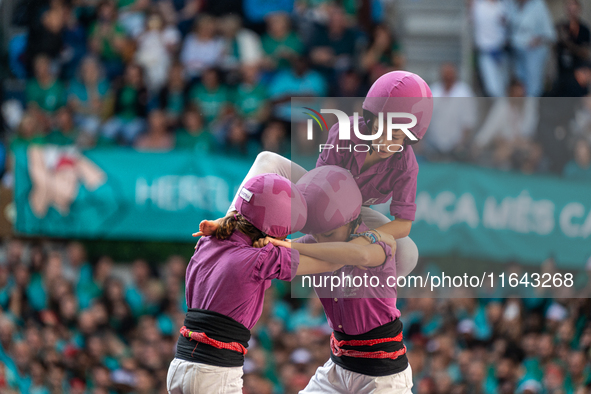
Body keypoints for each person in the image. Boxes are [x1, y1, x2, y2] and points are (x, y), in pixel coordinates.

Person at [168, 173, 395, 393]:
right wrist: (376, 235)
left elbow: (251, 197)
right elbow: (333, 262)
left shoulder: (211, 238)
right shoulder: (261, 258)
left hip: (180, 364)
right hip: (214, 372)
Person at [198, 70, 431, 278]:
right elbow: (321, 188)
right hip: (319, 191)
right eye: (378, 129)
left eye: (395, 136)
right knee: (267, 159)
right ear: (370, 120)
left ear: (409, 138)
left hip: (356, 215)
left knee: (409, 254)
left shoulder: (407, 164)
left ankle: (307, 261)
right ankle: (231, 222)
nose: (383, 141)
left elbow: (403, 224)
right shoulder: (345, 131)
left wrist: (368, 237)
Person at [292, 165, 411, 393]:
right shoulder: (313, 243)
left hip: (382, 375)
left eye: (327, 234)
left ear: (353, 219)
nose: (319, 240)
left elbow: (360, 255)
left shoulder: (378, 243)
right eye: (314, 233)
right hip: (338, 367)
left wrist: (287, 244)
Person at [508, 0, 556, 97]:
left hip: (534, 53)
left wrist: (539, 40)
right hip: (517, 52)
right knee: (519, 86)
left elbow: (550, 34)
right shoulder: (512, 5)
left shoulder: (538, 5)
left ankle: (531, 110)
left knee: (533, 88)